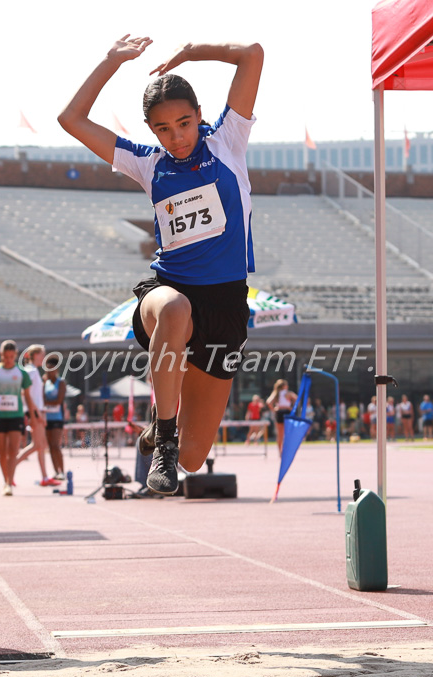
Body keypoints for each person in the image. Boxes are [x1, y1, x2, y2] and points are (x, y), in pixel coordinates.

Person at [58, 35, 263, 495]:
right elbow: (70, 119)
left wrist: (191, 51)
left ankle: (164, 427)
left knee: (195, 460)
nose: (177, 137)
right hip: (169, 290)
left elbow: (252, 54)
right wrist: (110, 61)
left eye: (185, 123)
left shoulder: (228, 142)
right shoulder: (147, 164)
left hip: (226, 305)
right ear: (151, 131)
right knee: (173, 311)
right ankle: (164, 440)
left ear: (199, 117)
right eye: (164, 129)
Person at [0, 340, 38, 495]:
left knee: (13, 451)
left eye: (11, 357)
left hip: (16, 416)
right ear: (1, 355)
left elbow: (28, 397)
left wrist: (32, 416)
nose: (8, 360)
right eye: (5, 357)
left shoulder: (21, 373)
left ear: (15, 356)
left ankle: (9, 482)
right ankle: (6, 480)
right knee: (2, 452)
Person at [15, 345, 49, 484]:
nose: (44, 357)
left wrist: (42, 411)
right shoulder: (30, 371)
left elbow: (35, 395)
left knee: (40, 445)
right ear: (34, 355)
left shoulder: (34, 371)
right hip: (33, 411)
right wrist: (36, 412)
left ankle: (45, 477)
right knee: (37, 445)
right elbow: (25, 392)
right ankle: (11, 466)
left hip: (36, 410)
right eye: (42, 354)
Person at [43, 355, 66, 481]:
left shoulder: (60, 382)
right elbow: (40, 399)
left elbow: (58, 401)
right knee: (50, 446)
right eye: (47, 368)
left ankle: (62, 471)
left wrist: (46, 402)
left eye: (51, 369)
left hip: (57, 418)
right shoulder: (43, 382)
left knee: (56, 445)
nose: (49, 371)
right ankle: (55, 471)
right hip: (46, 418)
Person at [266, 379, 297, 456]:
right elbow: (297, 399)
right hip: (287, 412)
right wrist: (291, 407)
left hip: (279, 412)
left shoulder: (276, 393)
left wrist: (274, 409)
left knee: (280, 434)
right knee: (287, 433)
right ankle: (286, 451)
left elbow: (268, 402)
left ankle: (280, 452)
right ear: (284, 386)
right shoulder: (288, 393)